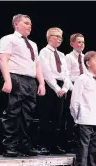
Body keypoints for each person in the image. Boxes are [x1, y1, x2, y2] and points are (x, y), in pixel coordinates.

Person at [0, 14, 45, 157]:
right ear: (16, 24)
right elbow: (3, 59)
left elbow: (37, 64)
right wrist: (7, 80)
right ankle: (10, 146)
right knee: (13, 112)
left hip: (30, 81)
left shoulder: (33, 44)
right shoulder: (8, 39)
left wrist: (41, 82)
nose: (29, 26)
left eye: (30, 23)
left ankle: (24, 145)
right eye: (26, 23)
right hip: (16, 77)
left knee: (28, 115)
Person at [38, 27, 71, 155]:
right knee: (47, 116)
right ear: (49, 37)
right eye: (56, 36)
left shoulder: (62, 55)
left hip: (61, 86)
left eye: (61, 37)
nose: (59, 39)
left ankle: (55, 144)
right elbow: (46, 71)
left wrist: (64, 88)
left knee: (59, 117)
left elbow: (66, 73)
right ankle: (44, 145)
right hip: (50, 85)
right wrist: (56, 88)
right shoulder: (44, 52)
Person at [71, 51, 96, 166]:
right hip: (85, 120)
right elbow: (75, 102)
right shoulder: (82, 79)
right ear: (88, 63)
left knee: (95, 153)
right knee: (83, 152)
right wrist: (78, 118)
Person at [64, 33, 86, 152]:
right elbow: (66, 74)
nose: (81, 44)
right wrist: (73, 89)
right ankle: (69, 142)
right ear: (72, 44)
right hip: (73, 88)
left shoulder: (85, 57)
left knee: (82, 116)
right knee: (71, 116)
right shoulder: (69, 57)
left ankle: (79, 142)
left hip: (84, 91)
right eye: (79, 42)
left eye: (83, 42)